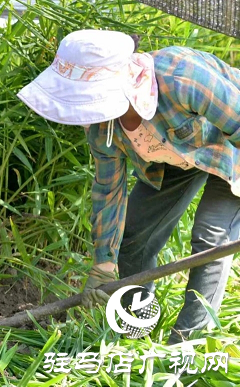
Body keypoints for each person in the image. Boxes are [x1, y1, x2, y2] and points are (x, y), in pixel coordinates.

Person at [16, 29, 240, 344]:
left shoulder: (181, 79)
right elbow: (109, 192)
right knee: (133, 238)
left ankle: (187, 347)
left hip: (229, 146)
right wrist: (104, 261)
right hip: (176, 158)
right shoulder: (102, 126)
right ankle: (139, 326)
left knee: (211, 236)